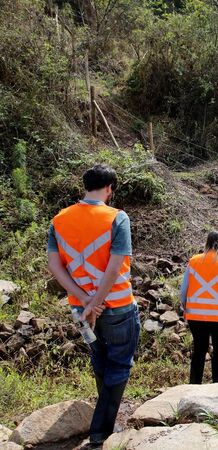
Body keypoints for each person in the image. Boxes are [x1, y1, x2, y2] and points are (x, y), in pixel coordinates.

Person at [47, 164, 140, 446]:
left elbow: (54, 265)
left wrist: (85, 300)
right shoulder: (117, 218)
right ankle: (101, 432)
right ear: (109, 189)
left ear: (85, 186)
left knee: (99, 359)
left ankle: (104, 421)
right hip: (117, 306)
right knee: (119, 365)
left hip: (80, 307)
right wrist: (96, 301)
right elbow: (113, 267)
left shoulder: (59, 219)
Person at [179, 231, 218, 384]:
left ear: (207, 243)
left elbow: (184, 289)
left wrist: (185, 307)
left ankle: (194, 386)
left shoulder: (194, 261)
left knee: (199, 350)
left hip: (195, 315)